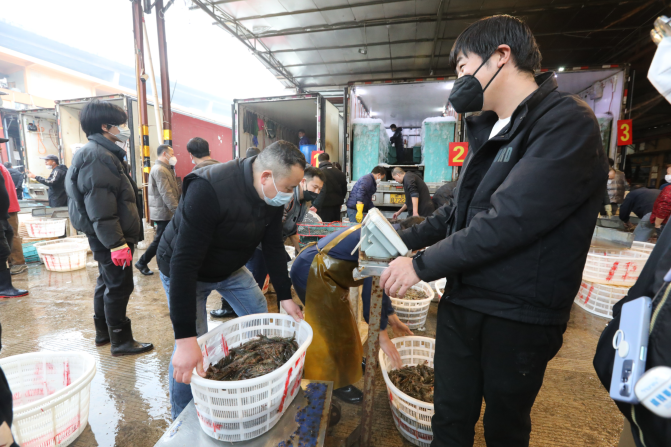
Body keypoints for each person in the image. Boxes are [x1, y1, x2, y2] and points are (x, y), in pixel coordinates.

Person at [380, 15, 607, 446]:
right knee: (449, 416)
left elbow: (508, 220)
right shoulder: (489, 131)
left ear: (501, 57)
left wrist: (420, 266)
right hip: (464, 299)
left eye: (464, 66)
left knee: (504, 425)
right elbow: (454, 214)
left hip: (518, 313)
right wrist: (393, 240)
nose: (459, 79)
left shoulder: (565, 123)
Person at [157, 140, 306, 419]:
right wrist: (186, 338)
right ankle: (181, 419)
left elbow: (273, 244)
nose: (289, 195)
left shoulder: (270, 194)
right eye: (288, 188)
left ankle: (250, 391)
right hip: (188, 272)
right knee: (191, 353)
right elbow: (184, 263)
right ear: (266, 177)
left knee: (260, 316)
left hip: (229, 269)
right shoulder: (209, 188)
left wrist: (285, 296)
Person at [289, 218, 419, 404]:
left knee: (344, 324)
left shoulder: (389, 234)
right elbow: (370, 294)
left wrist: (392, 318)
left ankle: (352, 362)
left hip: (327, 275)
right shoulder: (385, 243)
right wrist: (382, 337)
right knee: (329, 332)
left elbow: (381, 282)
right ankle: (337, 382)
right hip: (310, 272)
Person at [65, 99, 153, 356]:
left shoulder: (99, 152)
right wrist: (116, 244)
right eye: (121, 125)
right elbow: (101, 208)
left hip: (106, 235)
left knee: (106, 282)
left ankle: (104, 334)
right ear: (106, 126)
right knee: (119, 286)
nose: (124, 129)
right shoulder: (97, 156)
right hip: (111, 236)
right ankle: (121, 341)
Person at [245, 166, 325, 292]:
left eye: (320, 189)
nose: (317, 192)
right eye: (314, 187)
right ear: (303, 181)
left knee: (270, 280)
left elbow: (294, 232)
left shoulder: (304, 203)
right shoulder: (288, 198)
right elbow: (273, 230)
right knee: (252, 286)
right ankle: (232, 308)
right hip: (259, 246)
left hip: (273, 245)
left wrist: (304, 254)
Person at [134, 145, 180, 276]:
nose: (173, 156)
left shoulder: (166, 169)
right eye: (172, 153)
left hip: (166, 211)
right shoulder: (159, 169)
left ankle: (164, 263)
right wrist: (177, 210)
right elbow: (167, 193)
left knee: (166, 239)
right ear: (165, 154)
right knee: (160, 240)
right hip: (163, 213)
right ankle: (142, 262)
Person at [0, 164, 27, 298]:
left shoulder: (1, 168)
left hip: (7, 209)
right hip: (6, 209)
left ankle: (17, 262)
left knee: (10, 236)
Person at [313, 152, 347, 222]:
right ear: (329, 161)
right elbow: (344, 190)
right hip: (337, 206)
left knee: (325, 228)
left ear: (319, 162)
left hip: (324, 207)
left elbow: (319, 191)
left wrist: (315, 205)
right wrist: (340, 202)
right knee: (335, 227)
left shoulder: (319, 173)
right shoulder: (340, 173)